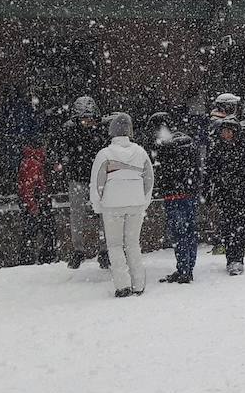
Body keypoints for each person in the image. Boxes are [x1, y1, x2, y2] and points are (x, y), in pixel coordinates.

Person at [90, 113, 155, 298]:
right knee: (133, 244)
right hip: (136, 204)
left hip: (112, 205)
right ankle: (138, 284)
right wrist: (144, 201)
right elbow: (149, 179)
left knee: (115, 245)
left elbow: (97, 183)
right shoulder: (141, 152)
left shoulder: (104, 154)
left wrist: (97, 205)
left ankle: (123, 285)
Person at [53, 95, 108, 270]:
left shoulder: (101, 129)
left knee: (104, 215)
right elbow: (60, 150)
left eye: (90, 118)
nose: (88, 122)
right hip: (78, 177)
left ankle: (105, 250)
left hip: (98, 178)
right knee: (77, 215)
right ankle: (78, 250)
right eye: (84, 119)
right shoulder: (69, 130)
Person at [149, 112, 202, 284]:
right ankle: (187, 268)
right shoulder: (187, 142)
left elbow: (164, 172)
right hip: (189, 193)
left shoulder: (167, 146)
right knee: (189, 231)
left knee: (179, 234)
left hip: (174, 195)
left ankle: (184, 269)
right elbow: (196, 169)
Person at [206, 117, 245, 276]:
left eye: (229, 131)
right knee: (228, 227)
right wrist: (210, 192)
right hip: (225, 195)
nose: (226, 134)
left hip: (243, 195)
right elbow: (210, 172)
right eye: (224, 131)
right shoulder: (217, 149)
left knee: (241, 228)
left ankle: (238, 259)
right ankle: (231, 258)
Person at [17, 137, 58, 265]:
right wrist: (33, 204)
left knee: (31, 231)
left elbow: (25, 186)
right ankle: (45, 258)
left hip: (35, 200)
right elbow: (28, 187)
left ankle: (28, 258)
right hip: (38, 200)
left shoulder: (29, 161)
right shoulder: (34, 163)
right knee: (47, 230)